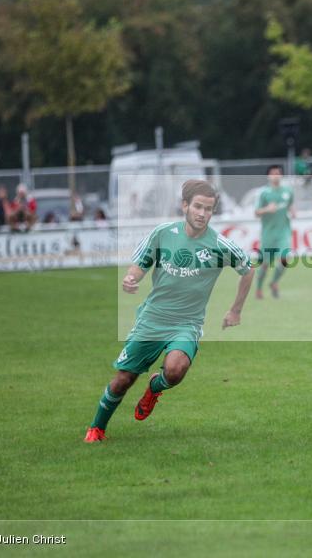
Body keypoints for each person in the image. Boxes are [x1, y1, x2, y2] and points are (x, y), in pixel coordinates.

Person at [84, 180, 254, 443]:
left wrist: (235, 311)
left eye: (208, 209)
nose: (202, 213)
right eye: (197, 206)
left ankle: (155, 387)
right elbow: (140, 265)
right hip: (152, 319)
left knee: (175, 370)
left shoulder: (220, 245)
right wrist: (131, 279)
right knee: (124, 380)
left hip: (187, 323)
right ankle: (97, 428)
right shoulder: (162, 233)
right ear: (185, 206)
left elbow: (248, 269)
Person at [254, 165, 295, 300]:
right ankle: (259, 288)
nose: (275, 176)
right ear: (268, 176)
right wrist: (267, 209)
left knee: (285, 259)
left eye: (278, 173)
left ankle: (274, 282)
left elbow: (290, 204)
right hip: (268, 234)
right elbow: (256, 212)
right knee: (265, 264)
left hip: (283, 232)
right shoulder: (263, 193)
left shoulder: (288, 191)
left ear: (281, 175)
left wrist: (292, 211)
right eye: (273, 173)